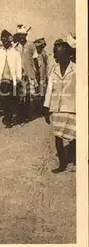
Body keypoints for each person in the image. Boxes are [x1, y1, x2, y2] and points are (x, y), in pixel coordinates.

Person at [43, 40, 76, 173]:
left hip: (72, 108)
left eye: (58, 54)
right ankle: (62, 164)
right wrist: (46, 107)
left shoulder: (76, 69)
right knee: (58, 136)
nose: (56, 57)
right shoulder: (54, 70)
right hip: (57, 108)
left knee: (73, 136)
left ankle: (74, 159)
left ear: (67, 54)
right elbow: (49, 88)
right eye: (55, 54)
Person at [0, 30, 22, 128]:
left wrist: (18, 80)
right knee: (2, 101)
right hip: (2, 80)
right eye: (3, 40)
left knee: (11, 100)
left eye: (6, 40)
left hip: (12, 80)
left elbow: (18, 67)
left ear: (10, 40)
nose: (4, 42)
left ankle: (8, 119)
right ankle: (7, 115)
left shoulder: (16, 53)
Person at [13, 24, 37, 124]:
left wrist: (36, 74)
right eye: (20, 35)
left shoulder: (31, 46)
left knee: (27, 96)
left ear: (26, 35)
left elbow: (35, 59)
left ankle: (27, 115)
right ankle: (20, 115)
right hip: (19, 75)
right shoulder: (15, 47)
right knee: (19, 96)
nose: (22, 37)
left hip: (29, 74)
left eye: (23, 35)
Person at [32, 37, 49, 115]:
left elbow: (47, 65)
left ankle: (42, 108)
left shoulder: (44, 54)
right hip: (35, 76)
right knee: (35, 92)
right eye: (37, 47)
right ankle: (36, 108)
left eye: (40, 47)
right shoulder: (33, 55)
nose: (39, 48)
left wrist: (47, 77)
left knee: (42, 92)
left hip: (42, 76)